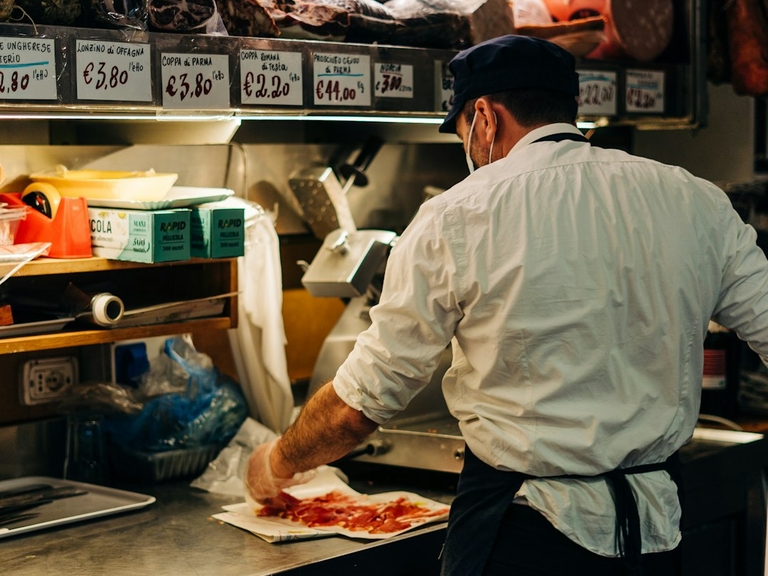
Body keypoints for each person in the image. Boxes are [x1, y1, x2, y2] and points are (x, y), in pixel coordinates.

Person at [246, 35, 768, 575]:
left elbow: (359, 407)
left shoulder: (456, 216)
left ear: (485, 118)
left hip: (521, 533)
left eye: (462, 136)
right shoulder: (695, 199)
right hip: (653, 535)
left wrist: (277, 460)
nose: (469, 151)